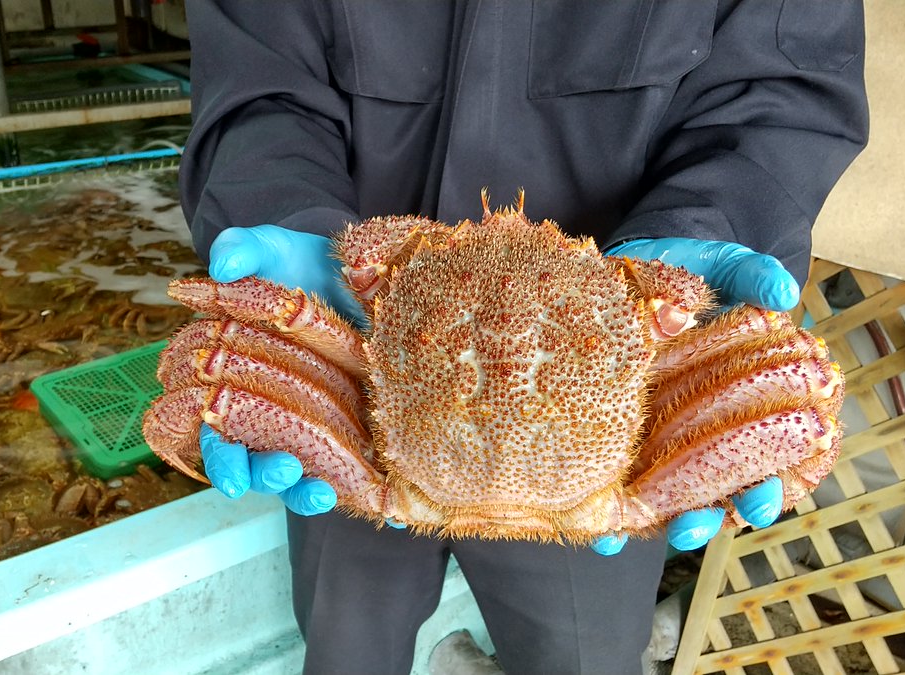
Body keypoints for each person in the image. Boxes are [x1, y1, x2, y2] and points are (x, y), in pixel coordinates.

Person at [176, 2, 868, 673]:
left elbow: (783, 88)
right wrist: (285, 210)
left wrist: (715, 223)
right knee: (347, 647)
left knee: (581, 659)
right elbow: (257, 79)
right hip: (362, 400)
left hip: (423, 420)